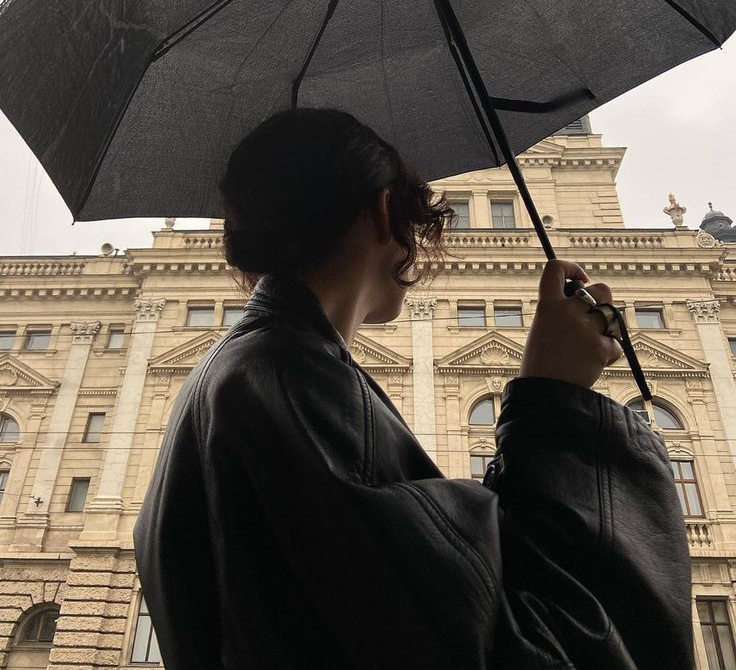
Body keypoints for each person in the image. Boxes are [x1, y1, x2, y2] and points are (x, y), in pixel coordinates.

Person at [133, 108, 693, 669]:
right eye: (419, 219)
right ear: (382, 212)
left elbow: (432, 583)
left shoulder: (241, 370)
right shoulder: (291, 376)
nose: (422, 248)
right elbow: (500, 639)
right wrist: (555, 401)